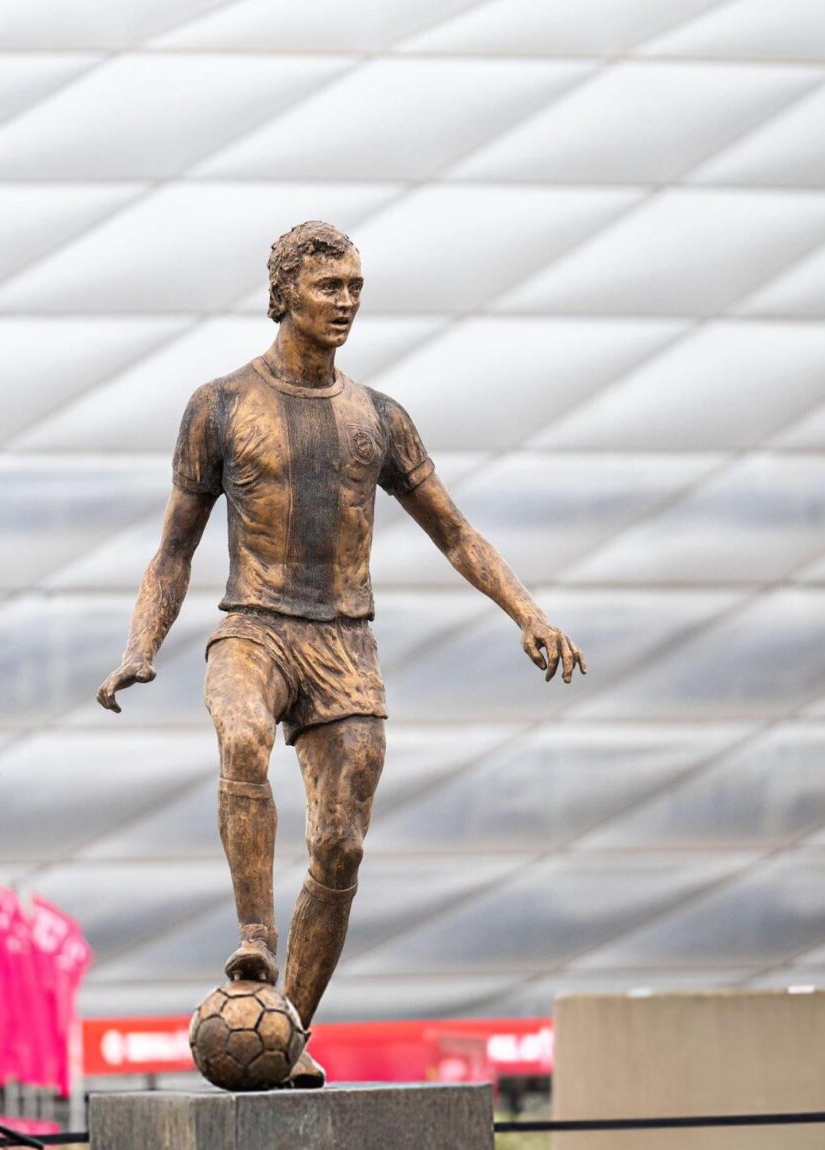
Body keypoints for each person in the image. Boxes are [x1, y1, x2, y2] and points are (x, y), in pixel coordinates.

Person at [98, 222, 585, 1086]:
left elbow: (453, 529)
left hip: (343, 640)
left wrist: (527, 612)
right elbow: (174, 547)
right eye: (330, 288)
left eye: (356, 287)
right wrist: (143, 646)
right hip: (252, 625)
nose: (347, 303)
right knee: (241, 736)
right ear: (283, 294)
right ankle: (254, 940)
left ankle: (288, 1033)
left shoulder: (380, 418)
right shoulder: (218, 406)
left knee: (342, 846)